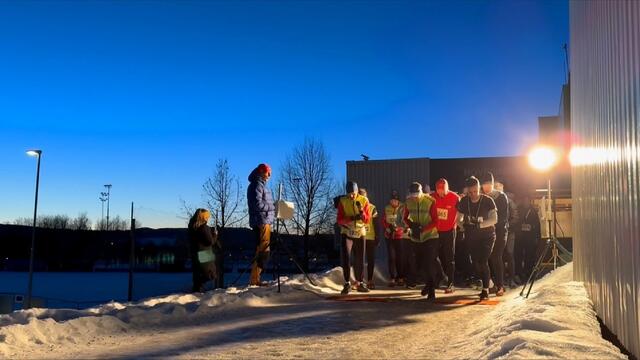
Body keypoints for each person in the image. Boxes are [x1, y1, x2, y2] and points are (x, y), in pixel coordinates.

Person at [457, 176, 497, 300]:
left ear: (479, 189)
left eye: (475, 191)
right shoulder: (464, 201)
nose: (473, 194)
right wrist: (462, 225)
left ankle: (485, 291)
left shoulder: (488, 200)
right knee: (475, 263)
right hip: (472, 237)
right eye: (470, 192)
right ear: (466, 191)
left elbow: (494, 219)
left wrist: (480, 225)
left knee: (483, 261)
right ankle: (489, 282)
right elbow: (458, 218)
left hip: (487, 236)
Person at [403, 182, 439, 300]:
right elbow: (405, 218)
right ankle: (429, 284)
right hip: (416, 238)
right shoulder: (408, 202)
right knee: (419, 264)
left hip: (430, 236)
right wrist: (412, 225)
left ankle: (432, 290)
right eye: (413, 195)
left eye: (417, 194)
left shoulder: (430, 201)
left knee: (429, 263)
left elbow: (436, 221)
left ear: (421, 192)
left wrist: (423, 229)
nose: (415, 197)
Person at [336, 181, 372, 294]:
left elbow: (367, 220)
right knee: (346, 258)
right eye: (349, 193)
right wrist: (352, 218)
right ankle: (347, 283)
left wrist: (362, 213)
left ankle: (360, 282)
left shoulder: (364, 200)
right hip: (347, 233)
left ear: (357, 192)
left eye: (353, 193)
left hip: (360, 233)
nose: (351, 196)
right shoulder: (343, 201)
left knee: (360, 259)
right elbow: (339, 220)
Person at [247, 163, 276, 286]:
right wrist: (273, 207)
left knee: (262, 250)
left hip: (265, 221)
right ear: (261, 172)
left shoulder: (260, 185)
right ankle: (254, 279)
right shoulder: (257, 185)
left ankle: (256, 278)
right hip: (261, 221)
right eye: (267, 172)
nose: (269, 175)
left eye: (270, 173)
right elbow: (257, 204)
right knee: (263, 251)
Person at [480, 172, 509, 296]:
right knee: (487, 258)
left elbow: (502, 217)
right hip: (487, 232)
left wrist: (491, 224)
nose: (485, 187)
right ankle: (491, 284)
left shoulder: (500, 196)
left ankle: (500, 285)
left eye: (488, 184)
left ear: (492, 184)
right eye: (483, 184)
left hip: (500, 231)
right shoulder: (482, 197)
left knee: (496, 257)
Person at [432, 178, 460, 293]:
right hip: (436, 231)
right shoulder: (431, 197)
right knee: (433, 256)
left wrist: (458, 223)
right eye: (438, 190)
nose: (440, 192)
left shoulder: (455, 198)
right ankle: (441, 276)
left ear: (446, 189)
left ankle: (451, 283)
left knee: (450, 258)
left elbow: (461, 212)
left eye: (442, 190)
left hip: (449, 230)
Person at [188, 208, 221, 292]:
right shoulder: (203, 227)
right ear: (204, 217)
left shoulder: (192, 226)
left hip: (196, 253)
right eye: (207, 216)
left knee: (198, 274)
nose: (208, 218)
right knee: (210, 274)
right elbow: (210, 241)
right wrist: (215, 235)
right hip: (205, 253)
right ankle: (199, 291)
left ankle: (197, 292)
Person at [382, 190, 406, 287]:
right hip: (389, 236)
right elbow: (383, 220)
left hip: (400, 236)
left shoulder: (403, 207)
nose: (393, 202)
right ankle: (392, 278)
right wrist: (387, 227)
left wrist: (399, 227)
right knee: (391, 257)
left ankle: (400, 278)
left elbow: (405, 220)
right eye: (391, 200)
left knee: (400, 257)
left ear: (398, 201)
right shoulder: (387, 208)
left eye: (395, 200)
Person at [515, 195, 541, 281]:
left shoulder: (533, 211)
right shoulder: (518, 209)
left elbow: (537, 225)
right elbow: (515, 221)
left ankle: (528, 272)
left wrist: (537, 237)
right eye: (524, 200)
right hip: (520, 237)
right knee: (518, 255)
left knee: (529, 256)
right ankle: (519, 273)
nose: (525, 202)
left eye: (527, 200)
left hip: (530, 237)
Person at [359, 188, 379, 289]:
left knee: (371, 259)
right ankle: (360, 281)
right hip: (359, 237)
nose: (362, 198)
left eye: (364, 196)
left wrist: (377, 236)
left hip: (370, 237)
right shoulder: (355, 207)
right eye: (360, 196)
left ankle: (370, 280)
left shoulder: (372, 208)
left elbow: (376, 223)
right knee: (360, 260)